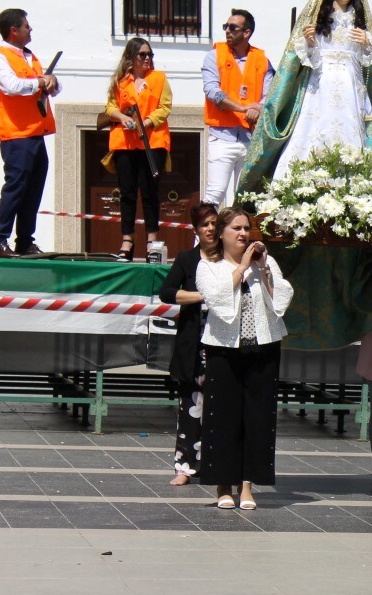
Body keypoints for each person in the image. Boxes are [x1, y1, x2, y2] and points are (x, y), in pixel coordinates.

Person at [196, 207, 294, 510]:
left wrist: (263, 269)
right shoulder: (208, 265)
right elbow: (216, 298)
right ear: (222, 233)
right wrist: (240, 269)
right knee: (223, 416)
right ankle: (223, 484)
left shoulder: (265, 263)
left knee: (258, 416)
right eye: (236, 228)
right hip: (224, 348)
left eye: (246, 228)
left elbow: (282, 298)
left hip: (261, 346)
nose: (243, 234)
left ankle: (247, 485)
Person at [274, 0, 372, 179]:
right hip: (321, 82)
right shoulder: (318, 15)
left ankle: (350, 176)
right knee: (315, 127)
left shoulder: (358, 17)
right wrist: (309, 43)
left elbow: (367, 59)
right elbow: (310, 59)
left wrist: (367, 43)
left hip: (349, 83)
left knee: (349, 128)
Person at [0, 8, 57, 258]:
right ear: (13, 30)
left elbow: (40, 85)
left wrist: (52, 82)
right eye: (27, 26)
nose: (31, 30)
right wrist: (40, 81)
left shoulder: (30, 56)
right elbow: (12, 86)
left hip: (35, 132)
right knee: (16, 187)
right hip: (15, 134)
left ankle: (25, 240)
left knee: (34, 188)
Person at [159, 202, 218, 485]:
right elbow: (167, 292)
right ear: (196, 229)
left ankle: (216, 465)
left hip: (223, 344)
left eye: (213, 224)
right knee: (191, 406)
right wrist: (201, 296)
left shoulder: (230, 258)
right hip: (194, 344)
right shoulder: (187, 259)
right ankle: (185, 467)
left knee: (220, 407)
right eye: (204, 224)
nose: (210, 229)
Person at [104, 38, 170, 262]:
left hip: (152, 142)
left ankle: (152, 240)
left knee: (150, 192)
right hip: (125, 142)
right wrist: (122, 117)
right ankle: (127, 241)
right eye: (142, 54)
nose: (147, 58)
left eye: (149, 54)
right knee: (127, 193)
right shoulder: (120, 81)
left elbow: (165, 107)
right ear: (131, 57)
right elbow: (110, 106)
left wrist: (146, 123)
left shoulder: (159, 78)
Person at [201, 8, 272, 206]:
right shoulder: (214, 56)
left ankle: (239, 237)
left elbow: (271, 94)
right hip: (222, 137)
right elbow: (212, 92)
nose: (227, 31)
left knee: (245, 199)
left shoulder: (262, 60)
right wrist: (244, 108)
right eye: (226, 26)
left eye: (233, 27)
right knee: (214, 194)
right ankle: (201, 238)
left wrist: (257, 108)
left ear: (246, 32)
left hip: (251, 139)